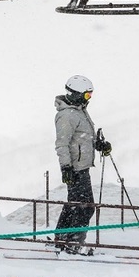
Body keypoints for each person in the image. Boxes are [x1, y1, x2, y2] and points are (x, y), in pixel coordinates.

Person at [53, 75, 111, 254]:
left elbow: (82, 138)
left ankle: (62, 238)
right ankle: (73, 244)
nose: (89, 99)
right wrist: (66, 168)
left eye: (90, 95)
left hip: (81, 167)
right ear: (77, 94)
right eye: (87, 95)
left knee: (75, 204)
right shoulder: (67, 115)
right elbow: (62, 144)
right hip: (75, 169)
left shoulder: (79, 111)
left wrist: (98, 144)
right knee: (85, 208)